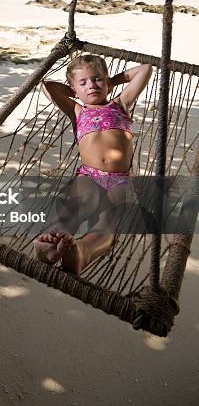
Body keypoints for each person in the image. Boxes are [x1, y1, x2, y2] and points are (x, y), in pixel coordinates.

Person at [34, 54, 152, 275]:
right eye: (84, 82)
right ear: (75, 89)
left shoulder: (120, 104)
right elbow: (48, 86)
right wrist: (74, 90)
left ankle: (82, 251)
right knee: (79, 203)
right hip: (89, 175)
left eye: (97, 79)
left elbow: (144, 70)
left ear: (106, 81)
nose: (92, 85)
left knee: (109, 222)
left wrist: (112, 81)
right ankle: (52, 242)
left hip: (121, 180)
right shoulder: (78, 111)